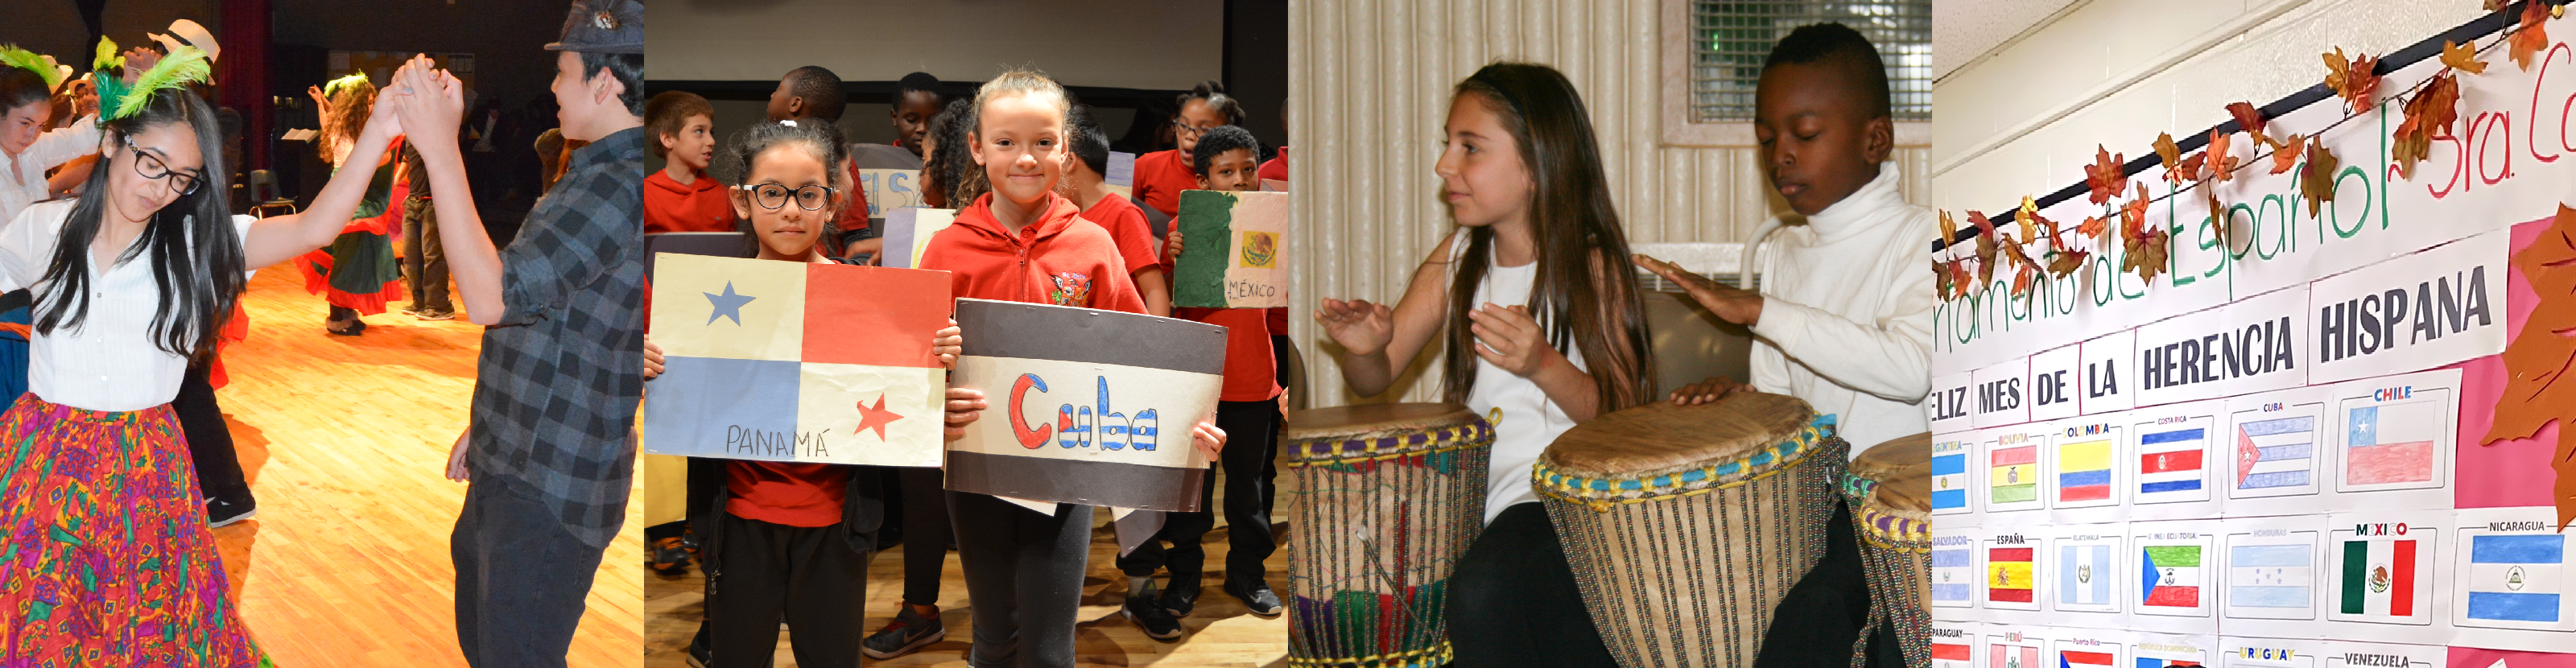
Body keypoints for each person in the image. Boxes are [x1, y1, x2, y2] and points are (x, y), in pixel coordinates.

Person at [0, 44, 396, 665]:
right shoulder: (40, 230)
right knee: (48, 625)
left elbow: (315, 229)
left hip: (145, 465)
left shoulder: (194, 240)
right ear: (111, 144)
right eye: (152, 164)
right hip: (49, 459)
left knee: (151, 628)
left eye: (182, 179)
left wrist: (378, 130)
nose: (162, 189)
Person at [1313, 62, 1653, 668]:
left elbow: (1627, 414)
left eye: (1470, 147)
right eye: (1449, 143)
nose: (1446, 164)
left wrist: (1543, 363)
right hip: (1477, 497)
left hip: (1567, 499)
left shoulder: (1593, 267)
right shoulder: (1459, 256)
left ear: (1536, 164)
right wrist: (1363, 348)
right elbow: (1377, 377)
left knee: (1490, 594)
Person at [645, 116, 983, 668]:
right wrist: (653, 368)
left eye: (809, 195)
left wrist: (937, 363)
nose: (792, 210)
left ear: (832, 204)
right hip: (739, 529)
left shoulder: (874, 302)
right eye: (772, 194)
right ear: (741, 200)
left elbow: (915, 410)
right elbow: (681, 405)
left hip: (836, 529)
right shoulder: (696, 309)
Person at [916, 67, 1226, 668]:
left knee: (1051, 646)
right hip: (975, 469)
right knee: (993, 637)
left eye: (1043, 142)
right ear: (978, 149)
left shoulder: (1092, 244)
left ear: (1066, 147)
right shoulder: (947, 248)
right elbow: (912, 363)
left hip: (1065, 478)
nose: (1025, 158)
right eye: (1005, 142)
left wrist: (1191, 430)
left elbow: (1144, 360)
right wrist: (938, 384)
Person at [1643, 23, 1932, 668]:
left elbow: (1912, 369)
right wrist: (1744, 404)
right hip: (1819, 509)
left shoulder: (1920, 239)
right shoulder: (1783, 254)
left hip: (1899, 513)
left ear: (1874, 138)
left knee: (1818, 617)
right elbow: (1790, 405)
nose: (1781, 156)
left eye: (1804, 135)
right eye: (1768, 139)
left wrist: (1763, 310)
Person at [380, 0, 650, 663]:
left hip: (552, 482)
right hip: (518, 457)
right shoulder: (592, 171)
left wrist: (443, 150)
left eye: (563, 73)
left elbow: (492, 298)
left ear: (605, 82)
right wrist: (489, 424)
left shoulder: (619, 185)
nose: (553, 89)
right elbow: (562, 322)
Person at [1121, 124, 1283, 641]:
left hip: (1254, 377)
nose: (1239, 181)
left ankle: (1248, 576)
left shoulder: (1273, 225)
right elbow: (1163, 299)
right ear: (1203, 178)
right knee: (1192, 489)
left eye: (1247, 170)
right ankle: (1184, 578)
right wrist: (1172, 256)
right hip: (1199, 376)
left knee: (1249, 490)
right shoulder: (1181, 228)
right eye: (1226, 172)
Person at [293, 73, 408, 336]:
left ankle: (348, 311)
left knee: (357, 258)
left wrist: (322, 101)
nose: (371, 107)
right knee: (344, 258)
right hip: (346, 201)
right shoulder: (346, 130)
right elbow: (354, 164)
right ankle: (336, 316)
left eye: (373, 102)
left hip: (359, 198)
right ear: (356, 105)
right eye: (367, 102)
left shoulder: (356, 126)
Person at [1066, 106, 1167, 315]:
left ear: (1068, 161)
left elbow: (1155, 292)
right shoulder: (1064, 217)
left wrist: (1156, 347)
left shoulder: (1124, 214)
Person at [765, 65, 873, 258]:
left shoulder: (838, 159)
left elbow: (856, 235)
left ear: (795, 103)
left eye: (779, 88)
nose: (773, 94)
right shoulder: (765, 156)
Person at [1129, 80, 1241, 220]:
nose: (1188, 136)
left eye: (1204, 129)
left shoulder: (1237, 178)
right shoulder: (1146, 166)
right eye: (1183, 125)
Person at [642, 90, 729, 233]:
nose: (711, 141)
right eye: (699, 131)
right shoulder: (645, 195)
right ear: (668, 139)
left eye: (711, 132)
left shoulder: (724, 196)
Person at [892, 72, 942, 157]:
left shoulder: (956, 166)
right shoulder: (879, 162)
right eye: (911, 120)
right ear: (894, 118)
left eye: (933, 121)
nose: (923, 129)